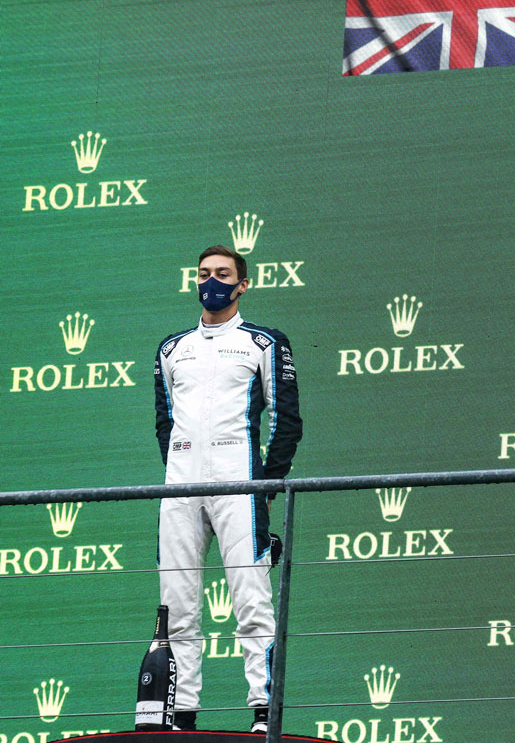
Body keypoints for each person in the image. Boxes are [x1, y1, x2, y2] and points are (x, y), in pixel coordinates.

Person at [154, 245, 301, 732]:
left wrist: (265, 487)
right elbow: (165, 424)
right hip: (179, 487)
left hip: (240, 483)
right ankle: (182, 715)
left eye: (222, 274)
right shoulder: (172, 349)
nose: (210, 281)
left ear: (242, 285)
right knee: (176, 605)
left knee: (252, 601)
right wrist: (180, 468)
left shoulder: (264, 342)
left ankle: (263, 714)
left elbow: (286, 421)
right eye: (203, 273)